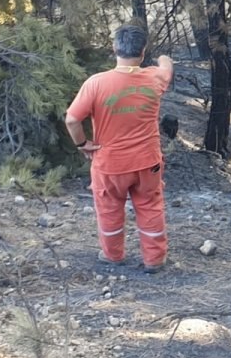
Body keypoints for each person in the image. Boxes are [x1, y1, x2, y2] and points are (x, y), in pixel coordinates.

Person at [65, 25, 174, 274]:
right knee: (150, 206)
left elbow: (72, 119)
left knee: (109, 208)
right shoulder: (155, 77)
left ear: (115, 48)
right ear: (143, 52)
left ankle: (113, 256)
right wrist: (164, 58)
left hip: (110, 163)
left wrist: (83, 144)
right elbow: (166, 66)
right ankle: (154, 260)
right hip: (148, 162)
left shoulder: (96, 83)